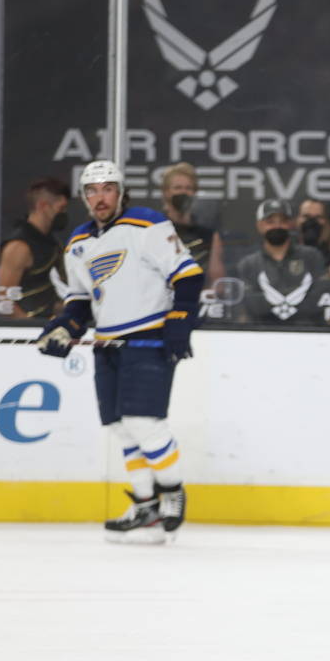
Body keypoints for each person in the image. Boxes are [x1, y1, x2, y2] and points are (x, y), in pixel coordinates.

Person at [36, 160, 203, 544]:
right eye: (92, 191)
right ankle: (146, 506)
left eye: (108, 189)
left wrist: (179, 322)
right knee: (119, 425)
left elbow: (187, 274)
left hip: (148, 339)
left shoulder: (148, 224)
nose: (100, 197)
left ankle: (172, 491)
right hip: (108, 343)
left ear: (121, 192)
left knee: (144, 422)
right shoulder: (78, 242)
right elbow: (80, 301)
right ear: (84, 197)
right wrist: (63, 328)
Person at [237, 199, 327, 324]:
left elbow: (322, 297)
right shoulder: (248, 264)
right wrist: (292, 299)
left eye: (282, 221)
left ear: (291, 224)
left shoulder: (312, 256)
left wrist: (275, 301)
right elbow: (252, 305)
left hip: (307, 333)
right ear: (259, 226)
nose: (277, 226)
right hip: (261, 335)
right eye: (270, 222)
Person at [0, 177, 71, 318]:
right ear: (43, 206)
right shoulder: (19, 247)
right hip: (28, 333)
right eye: (61, 208)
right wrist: (31, 329)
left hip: (49, 326)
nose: (64, 214)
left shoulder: (52, 244)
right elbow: (3, 299)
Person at [160, 162, 225, 286]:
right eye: (177, 188)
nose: (183, 192)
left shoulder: (209, 235)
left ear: (194, 193)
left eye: (188, 188)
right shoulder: (154, 229)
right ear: (166, 192)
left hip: (197, 299)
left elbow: (218, 284)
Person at [297, 197, 330, 289]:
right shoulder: (284, 252)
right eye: (306, 217)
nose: (311, 222)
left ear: (326, 222)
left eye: (318, 218)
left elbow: (325, 289)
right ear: (297, 220)